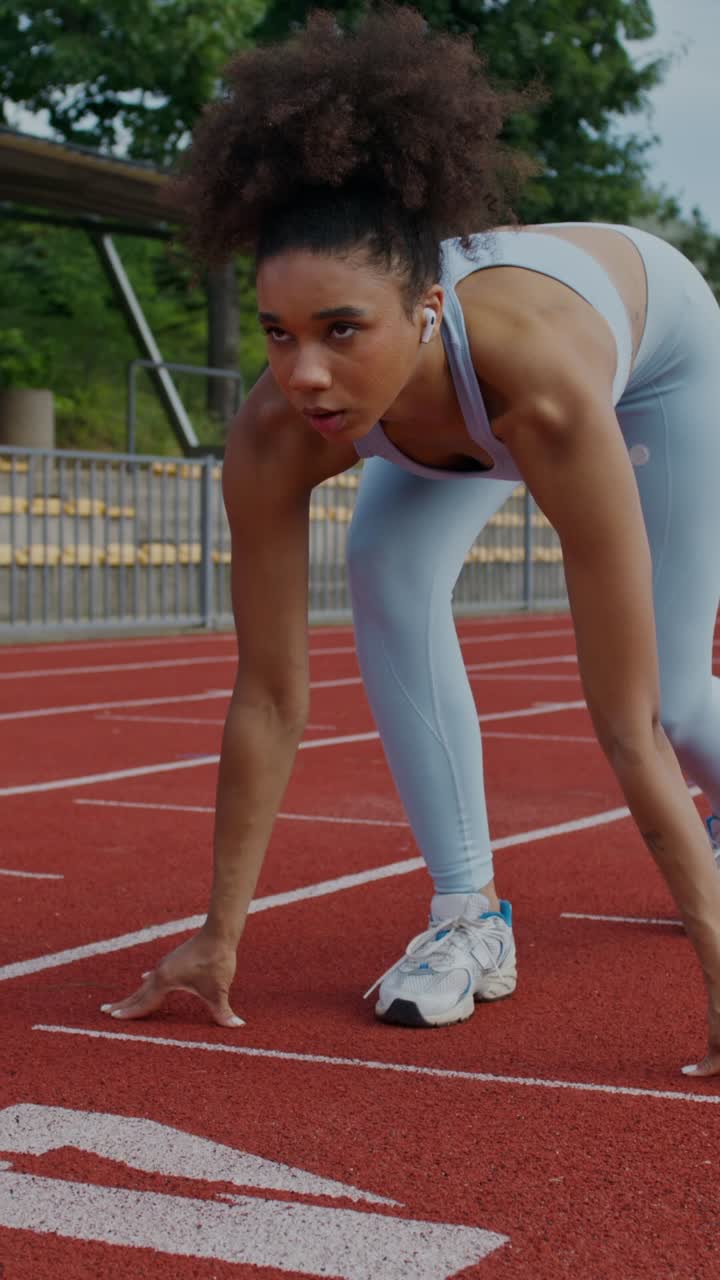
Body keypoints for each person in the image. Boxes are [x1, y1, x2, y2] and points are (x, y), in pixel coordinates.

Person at [102, 6, 720, 1076]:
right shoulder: (276, 428)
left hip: (658, 361)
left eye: (342, 329)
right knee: (384, 565)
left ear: (425, 309)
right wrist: (218, 932)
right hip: (453, 401)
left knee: (666, 698)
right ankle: (467, 909)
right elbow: (268, 692)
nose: (305, 376)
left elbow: (621, 727)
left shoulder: (548, 398)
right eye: (279, 334)